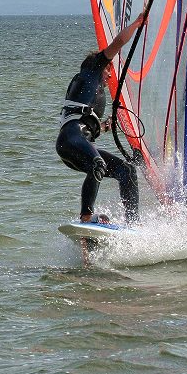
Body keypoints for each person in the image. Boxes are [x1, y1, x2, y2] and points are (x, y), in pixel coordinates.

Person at [56, 12, 146, 226]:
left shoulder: (89, 92)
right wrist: (137, 23)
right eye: (109, 71)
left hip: (78, 142)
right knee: (98, 163)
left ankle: (134, 225)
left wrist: (105, 126)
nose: (109, 77)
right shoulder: (92, 68)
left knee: (127, 171)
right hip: (70, 138)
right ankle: (86, 217)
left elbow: (88, 126)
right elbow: (119, 42)